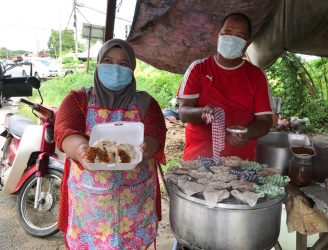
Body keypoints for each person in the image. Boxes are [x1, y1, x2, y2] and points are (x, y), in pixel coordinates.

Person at [54, 39, 166, 249]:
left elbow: (157, 133)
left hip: (135, 205)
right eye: (108, 60)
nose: (115, 69)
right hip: (89, 208)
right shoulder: (78, 100)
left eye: (123, 64)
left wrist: (146, 148)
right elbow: (64, 131)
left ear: (132, 69)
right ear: (98, 64)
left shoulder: (146, 103)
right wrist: (81, 150)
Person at [177, 13, 272, 161]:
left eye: (239, 35)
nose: (232, 39)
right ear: (218, 35)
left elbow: (265, 121)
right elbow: (183, 112)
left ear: (247, 42)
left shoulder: (256, 76)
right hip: (199, 159)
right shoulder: (198, 68)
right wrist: (201, 112)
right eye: (227, 33)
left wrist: (247, 133)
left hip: (240, 162)